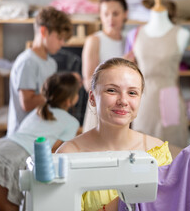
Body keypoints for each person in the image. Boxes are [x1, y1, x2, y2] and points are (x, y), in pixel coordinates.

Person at [57, 58, 173, 211]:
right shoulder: (67, 156)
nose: (123, 101)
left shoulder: (157, 153)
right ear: (92, 97)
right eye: (111, 90)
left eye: (132, 93)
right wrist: (122, 203)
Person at [0, 72, 80, 210]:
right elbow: (56, 150)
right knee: (9, 207)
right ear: (69, 100)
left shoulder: (38, 110)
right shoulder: (71, 122)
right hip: (15, 157)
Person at [126, 0, 190, 148]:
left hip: (170, 97)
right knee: (142, 148)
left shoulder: (181, 33)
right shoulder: (134, 34)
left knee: (172, 150)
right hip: (144, 98)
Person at [7, 6, 73, 136]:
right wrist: (59, 90)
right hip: (22, 136)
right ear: (43, 31)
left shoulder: (51, 63)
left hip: (39, 132)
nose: (62, 43)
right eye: (59, 38)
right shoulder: (28, 62)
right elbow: (27, 103)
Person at [81, 0, 128, 132]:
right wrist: (122, 65)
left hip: (124, 111)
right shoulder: (94, 41)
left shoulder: (129, 41)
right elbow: (88, 83)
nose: (110, 19)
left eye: (115, 13)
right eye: (105, 14)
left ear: (125, 14)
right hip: (99, 112)